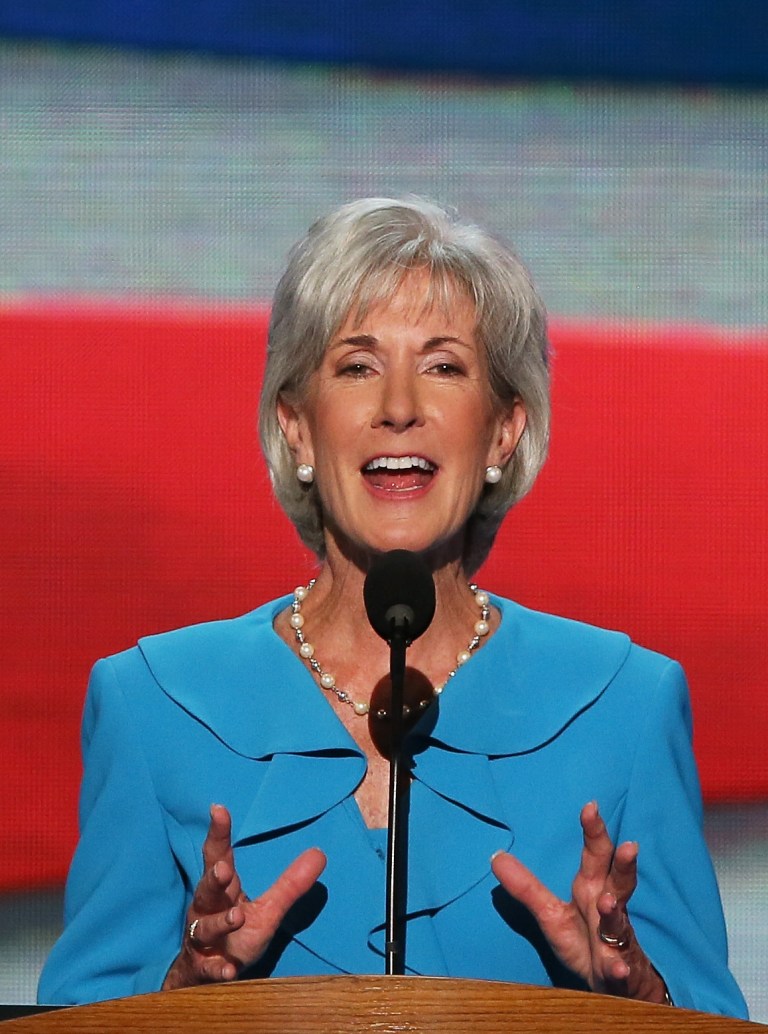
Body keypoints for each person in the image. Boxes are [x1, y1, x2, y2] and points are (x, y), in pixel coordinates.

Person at [38, 197, 747, 1016]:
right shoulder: (153, 703)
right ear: (297, 428)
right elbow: (76, 1021)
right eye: (357, 365)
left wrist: (639, 997)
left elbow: (709, 1021)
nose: (399, 405)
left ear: (504, 433)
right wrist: (180, 996)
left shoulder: (625, 705)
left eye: (444, 366)